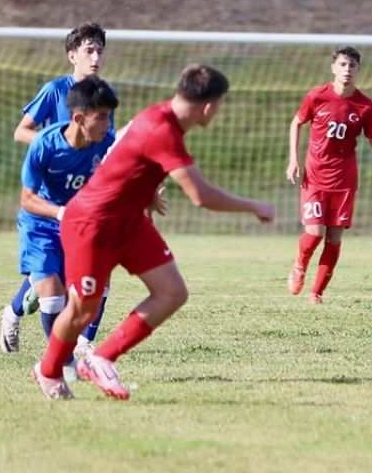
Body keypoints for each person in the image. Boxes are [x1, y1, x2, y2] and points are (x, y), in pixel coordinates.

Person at [33, 64, 275, 401]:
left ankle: (100, 358)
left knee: (172, 292)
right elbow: (201, 196)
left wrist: (147, 194)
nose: (219, 111)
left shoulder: (162, 117)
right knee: (81, 311)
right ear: (208, 106)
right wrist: (255, 206)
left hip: (130, 223)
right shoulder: (162, 129)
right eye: (220, 104)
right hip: (93, 225)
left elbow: (128, 161)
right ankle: (48, 371)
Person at [2, 23, 114, 356]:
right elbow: (21, 131)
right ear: (72, 56)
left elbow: (107, 148)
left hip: (85, 200)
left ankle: (84, 343)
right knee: (48, 285)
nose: (95, 58)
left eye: (99, 52)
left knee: (99, 270)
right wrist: (55, 147)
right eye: (88, 51)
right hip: (50, 200)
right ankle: (13, 312)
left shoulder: (104, 96)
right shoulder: (55, 90)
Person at [286, 46, 372, 304]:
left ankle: (317, 293)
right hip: (315, 176)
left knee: (334, 238)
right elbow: (296, 123)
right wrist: (293, 160)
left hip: (344, 181)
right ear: (333, 68)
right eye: (342, 65)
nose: (347, 70)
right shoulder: (317, 96)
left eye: (352, 65)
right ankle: (300, 264)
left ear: (358, 70)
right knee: (314, 233)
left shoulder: (365, 106)